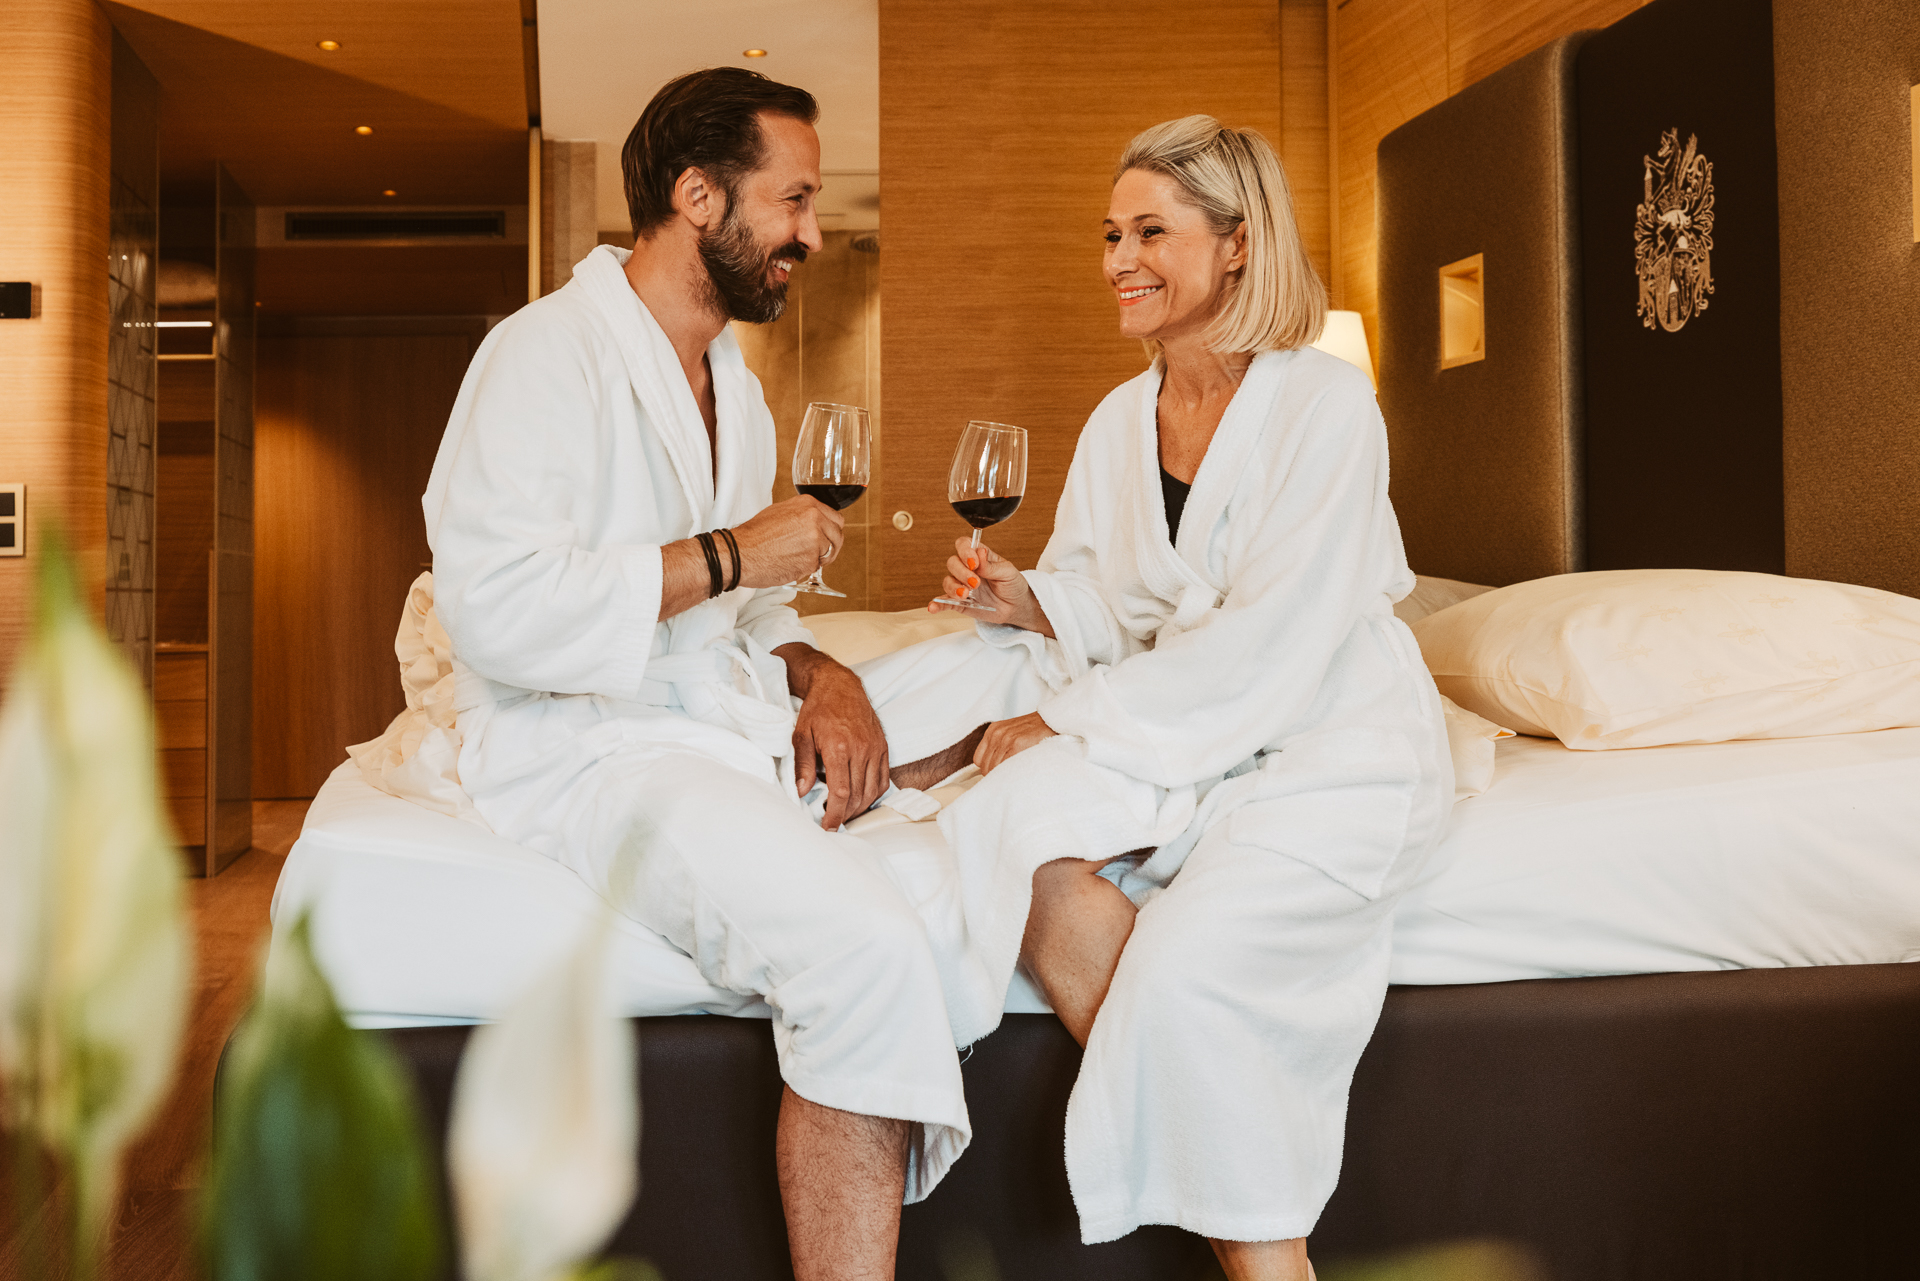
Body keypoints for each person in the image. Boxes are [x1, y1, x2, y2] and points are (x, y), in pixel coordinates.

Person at [422, 68, 982, 1279]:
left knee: (995, 677)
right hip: (586, 743)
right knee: (864, 947)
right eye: (795, 200)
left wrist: (821, 672)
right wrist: (732, 551)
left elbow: (751, 609)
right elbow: (499, 611)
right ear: (697, 196)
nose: (812, 233)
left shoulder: (738, 386)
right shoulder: (541, 356)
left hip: (704, 706)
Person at [892, 116, 1454, 1280]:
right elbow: (1117, 601)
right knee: (1019, 847)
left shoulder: (1326, 408)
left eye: (1151, 233)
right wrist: (1031, 602)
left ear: (1239, 244)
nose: (1119, 260)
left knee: (1187, 972)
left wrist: (1063, 718)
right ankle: (1217, 1126)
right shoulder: (1119, 419)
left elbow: (1277, 641)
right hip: (1186, 731)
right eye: (1111, 235)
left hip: (1325, 743)